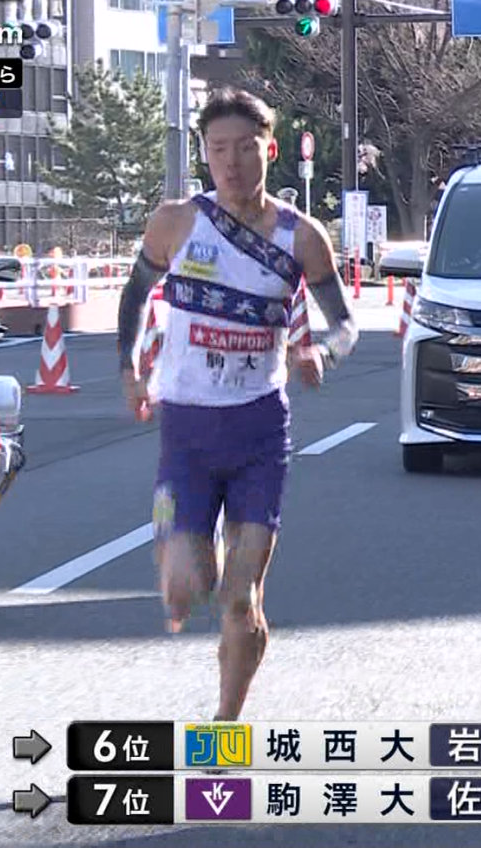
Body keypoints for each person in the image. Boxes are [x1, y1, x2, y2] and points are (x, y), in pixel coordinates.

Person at [116, 87, 358, 722]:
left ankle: (225, 727)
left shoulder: (301, 237)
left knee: (239, 597)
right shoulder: (176, 223)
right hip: (186, 428)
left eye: (245, 149)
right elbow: (135, 295)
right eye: (218, 149)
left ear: (269, 151)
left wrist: (321, 353)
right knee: (185, 586)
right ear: (204, 154)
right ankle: (176, 547)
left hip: (258, 430)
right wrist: (129, 368)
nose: (231, 162)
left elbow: (345, 325)